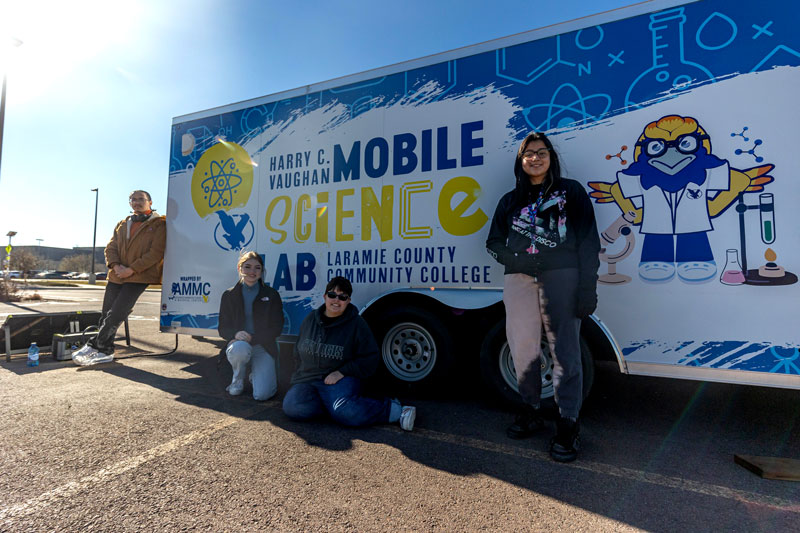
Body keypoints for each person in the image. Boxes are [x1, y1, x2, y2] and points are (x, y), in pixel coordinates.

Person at [486, 132, 600, 462]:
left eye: (541, 152)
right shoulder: (510, 199)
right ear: (520, 161)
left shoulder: (571, 192)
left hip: (562, 278)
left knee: (565, 351)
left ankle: (568, 424)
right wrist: (515, 260)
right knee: (522, 349)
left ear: (551, 157)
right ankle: (531, 410)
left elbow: (589, 243)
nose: (535, 158)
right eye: (528, 154)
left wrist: (587, 289)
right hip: (519, 280)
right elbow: (493, 242)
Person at [282, 276, 416, 431]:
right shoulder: (310, 319)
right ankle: (334, 408)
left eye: (342, 297)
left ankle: (396, 410)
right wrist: (300, 373)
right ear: (325, 296)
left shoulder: (357, 324)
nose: (336, 300)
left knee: (346, 412)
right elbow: (297, 349)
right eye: (332, 295)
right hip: (309, 379)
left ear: (348, 301)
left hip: (341, 379)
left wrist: (342, 372)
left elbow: (370, 358)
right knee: (292, 407)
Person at [73, 190, 167, 366]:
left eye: (141, 199)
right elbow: (110, 248)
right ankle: (106, 351)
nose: (137, 202)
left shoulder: (159, 224)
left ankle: (94, 345)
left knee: (117, 312)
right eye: (133, 199)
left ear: (150, 202)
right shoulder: (122, 224)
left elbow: (156, 253)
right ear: (130, 203)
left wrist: (131, 270)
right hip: (117, 275)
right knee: (106, 313)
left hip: (139, 276)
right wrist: (116, 267)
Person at [217, 251, 283, 400]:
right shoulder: (229, 295)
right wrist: (234, 335)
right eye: (247, 267)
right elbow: (223, 327)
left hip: (263, 345)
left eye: (257, 268)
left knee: (262, 395)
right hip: (240, 344)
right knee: (240, 348)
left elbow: (277, 327)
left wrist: (254, 337)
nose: (252, 271)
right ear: (240, 269)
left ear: (262, 271)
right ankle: (237, 380)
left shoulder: (272, 294)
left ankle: (256, 375)